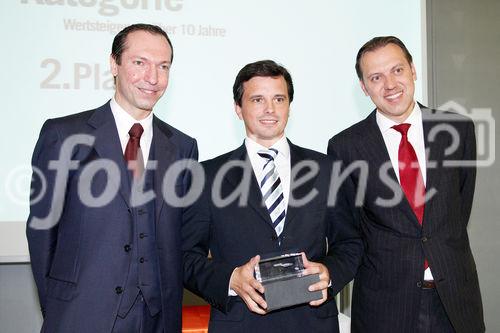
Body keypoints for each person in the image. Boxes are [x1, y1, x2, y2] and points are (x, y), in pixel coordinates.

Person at [26, 23, 198, 332]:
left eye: (163, 66)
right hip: (81, 315)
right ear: (113, 64)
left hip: (158, 320)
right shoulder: (63, 135)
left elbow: (182, 242)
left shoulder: (183, 147)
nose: (153, 77)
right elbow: (42, 234)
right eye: (139, 63)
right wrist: (60, 307)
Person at [182, 60, 362, 332]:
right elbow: (185, 257)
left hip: (312, 323)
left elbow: (350, 243)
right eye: (257, 99)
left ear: (289, 105)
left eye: (279, 98)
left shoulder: (327, 170)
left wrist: (330, 273)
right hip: (241, 323)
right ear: (238, 109)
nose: (270, 109)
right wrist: (230, 279)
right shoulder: (206, 176)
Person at [328, 36, 485, 332]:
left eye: (397, 70)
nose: (389, 84)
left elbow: (456, 212)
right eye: (376, 77)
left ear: (413, 70)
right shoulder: (345, 147)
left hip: (454, 302)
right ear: (363, 87)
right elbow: (348, 229)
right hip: (383, 307)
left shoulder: (457, 130)